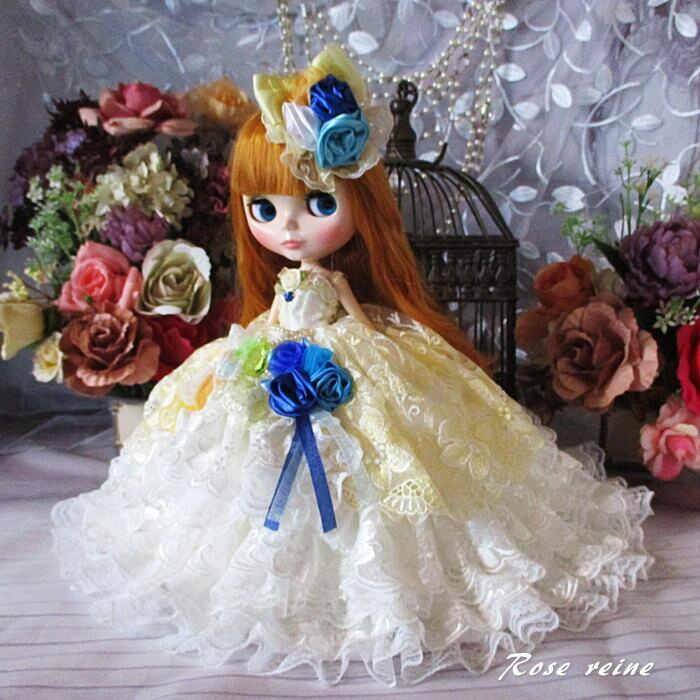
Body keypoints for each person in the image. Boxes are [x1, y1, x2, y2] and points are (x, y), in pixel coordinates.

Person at [51, 45, 654, 686]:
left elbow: (361, 321)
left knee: (388, 458)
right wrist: (254, 350)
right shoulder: (282, 278)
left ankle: (379, 578)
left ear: (359, 202)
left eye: (317, 203)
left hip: (349, 353)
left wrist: (378, 348)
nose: (288, 229)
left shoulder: (337, 279)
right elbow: (274, 316)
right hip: (276, 350)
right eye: (264, 210)